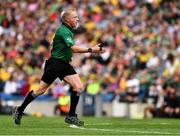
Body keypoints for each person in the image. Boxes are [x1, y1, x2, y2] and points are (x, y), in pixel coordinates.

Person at [13, 8, 105, 126]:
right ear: (67, 19)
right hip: (55, 64)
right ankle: (19, 110)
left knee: (78, 87)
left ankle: (71, 116)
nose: (77, 19)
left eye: (77, 17)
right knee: (40, 90)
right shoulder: (64, 31)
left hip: (64, 63)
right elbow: (74, 49)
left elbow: (55, 42)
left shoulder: (66, 30)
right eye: (75, 17)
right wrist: (92, 49)